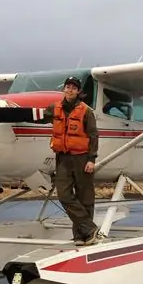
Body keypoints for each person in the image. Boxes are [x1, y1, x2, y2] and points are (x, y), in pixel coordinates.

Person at [41, 76, 101, 246]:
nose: (70, 90)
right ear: (64, 89)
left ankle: (82, 236)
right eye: (68, 87)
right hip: (63, 158)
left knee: (85, 198)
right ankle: (89, 227)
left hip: (82, 158)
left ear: (78, 91)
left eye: (73, 88)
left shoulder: (86, 111)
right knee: (64, 195)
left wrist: (91, 159)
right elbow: (38, 116)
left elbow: (93, 136)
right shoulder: (55, 108)